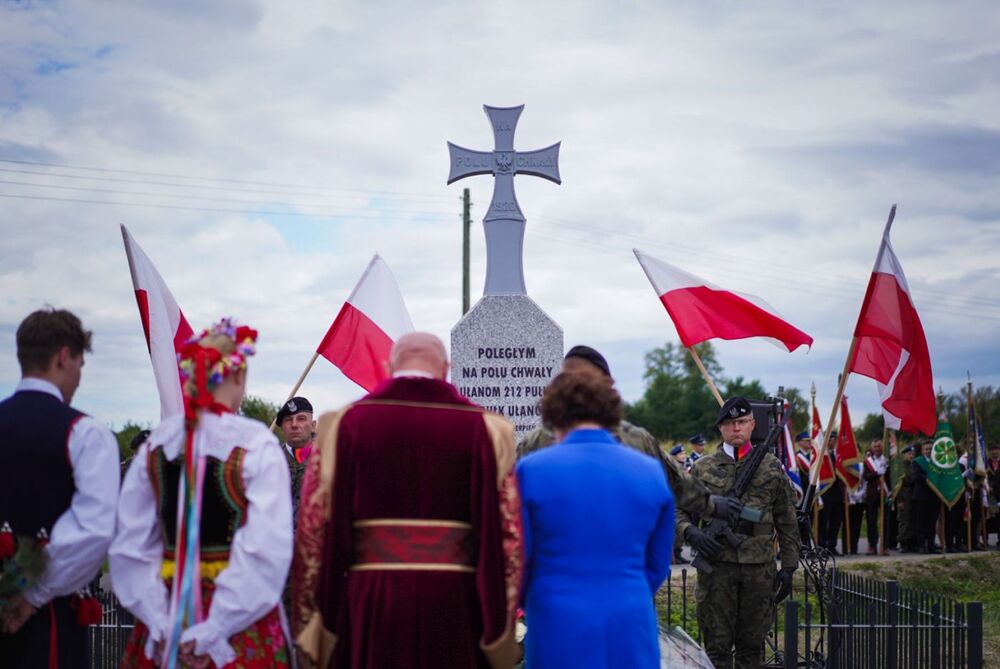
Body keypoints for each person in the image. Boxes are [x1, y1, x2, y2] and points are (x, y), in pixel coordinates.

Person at [292, 332, 522, 669]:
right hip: (455, 603)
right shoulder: (489, 429)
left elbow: (312, 531)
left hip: (371, 600)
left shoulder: (343, 425)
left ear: (389, 367)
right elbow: (510, 538)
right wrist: (498, 628)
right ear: (446, 368)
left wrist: (310, 626)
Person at [110, 319, 293, 668]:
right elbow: (266, 552)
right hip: (240, 624)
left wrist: (163, 623)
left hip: (165, 611)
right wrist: (215, 629)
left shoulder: (157, 445)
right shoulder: (256, 445)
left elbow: (130, 547)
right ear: (238, 378)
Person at [517, 369, 674, 668]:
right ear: (610, 414)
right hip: (630, 615)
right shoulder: (650, 471)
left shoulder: (532, 470)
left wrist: (532, 602)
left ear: (554, 415)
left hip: (556, 617)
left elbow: (520, 558)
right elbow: (657, 564)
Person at [0, 308, 119, 668]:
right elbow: (93, 530)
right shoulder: (86, 434)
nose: (79, 378)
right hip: (49, 619)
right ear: (64, 357)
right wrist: (31, 595)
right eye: (80, 365)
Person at [518, 345, 739, 536]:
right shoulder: (636, 440)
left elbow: (508, 505)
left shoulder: (535, 445)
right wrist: (710, 505)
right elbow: (674, 483)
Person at [678, 396, 800, 669]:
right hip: (716, 570)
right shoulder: (701, 468)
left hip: (759, 572)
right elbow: (677, 511)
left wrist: (790, 566)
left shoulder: (771, 467)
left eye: (742, 422)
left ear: (753, 425)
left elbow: (787, 519)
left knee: (751, 649)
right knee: (716, 650)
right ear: (720, 428)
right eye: (730, 423)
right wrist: (691, 533)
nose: (737, 428)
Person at [276, 395, 316, 517]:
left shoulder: (328, 459)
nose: (294, 424)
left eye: (301, 419)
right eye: (288, 420)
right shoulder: (270, 460)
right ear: (282, 427)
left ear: (313, 426)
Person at [911, 441, 941, 554]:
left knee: (931, 522)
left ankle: (931, 545)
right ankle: (921, 546)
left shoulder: (938, 462)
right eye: (926, 449)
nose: (928, 451)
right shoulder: (917, 462)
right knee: (920, 522)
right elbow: (917, 476)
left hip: (935, 496)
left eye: (930, 449)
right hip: (921, 496)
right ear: (923, 450)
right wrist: (931, 479)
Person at [862, 439, 889, 554]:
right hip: (872, 494)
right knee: (871, 521)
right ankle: (872, 545)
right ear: (872, 448)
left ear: (882, 448)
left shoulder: (887, 461)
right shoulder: (867, 462)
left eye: (879, 446)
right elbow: (866, 476)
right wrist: (877, 473)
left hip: (885, 493)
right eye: (875, 447)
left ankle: (885, 546)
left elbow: (891, 477)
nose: (877, 448)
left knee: (886, 521)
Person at [895, 445, 918, 553]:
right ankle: (902, 542)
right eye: (909, 454)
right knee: (904, 520)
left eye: (913, 454)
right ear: (904, 455)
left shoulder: (913, 465)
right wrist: (899, 500)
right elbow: (898, 485)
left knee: (912, 520)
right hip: (904, 495)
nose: (911, 456)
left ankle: (911, 542)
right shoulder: (900, 467)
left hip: (913, 495)